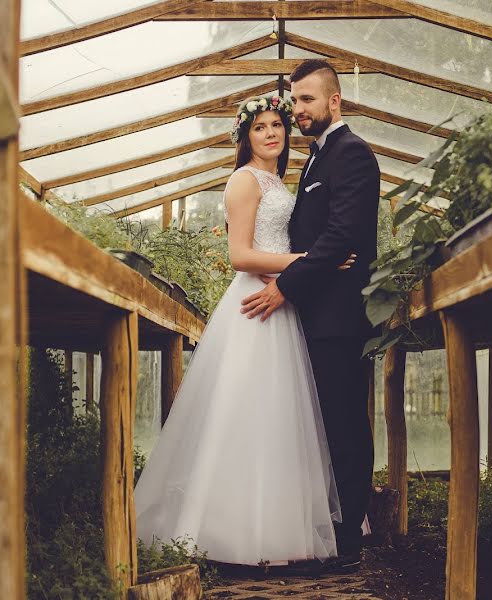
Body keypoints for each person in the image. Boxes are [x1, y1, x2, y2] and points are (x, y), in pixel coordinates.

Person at [133, 94, 353, 567]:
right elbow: (239, 255)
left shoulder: (276, 180)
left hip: (281, 303)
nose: (272, 132)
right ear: (245, 137)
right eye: (260, 127)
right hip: (253, 306)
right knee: (243, 413)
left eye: (278, 124)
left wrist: (299, 273)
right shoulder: (243, 180)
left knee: (276, 418)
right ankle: (226, 530)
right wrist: (310, 262)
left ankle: (277, 529)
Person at [240, 59, 380, 570]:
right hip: (313, 315)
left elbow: (341, 237)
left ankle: (349, 541)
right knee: (323, 426)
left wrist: (285, 287)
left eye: (305, 101)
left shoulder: (352, 155)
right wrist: (301, 269)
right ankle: (330, 527)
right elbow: (314, 241)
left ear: (333, 101)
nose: (296, 110)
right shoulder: (316, 161)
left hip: (340, 318)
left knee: (344, 425)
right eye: (293, 101)